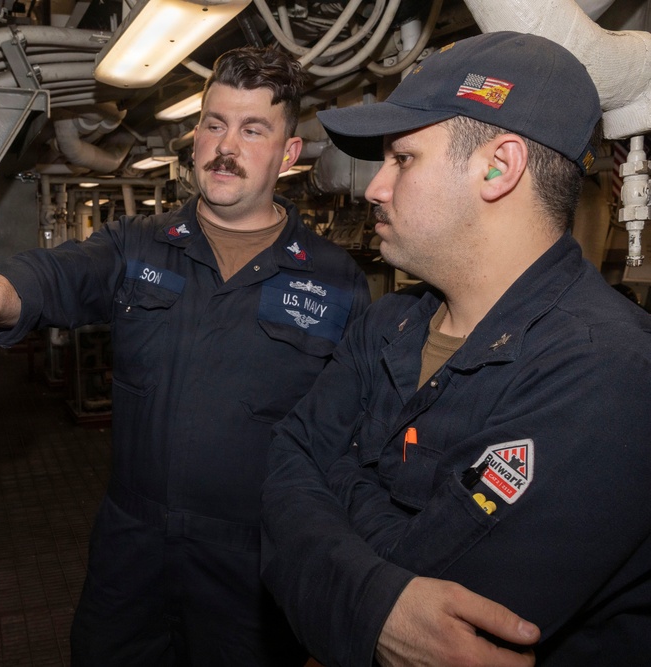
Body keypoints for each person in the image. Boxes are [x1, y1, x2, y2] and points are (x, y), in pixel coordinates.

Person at [0, 46, 374, 665]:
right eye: (214, 123)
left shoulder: (336, 279)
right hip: (134, 548)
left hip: (255, 561)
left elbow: (352, 434)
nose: (225, 145)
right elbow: (57, 276)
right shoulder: (138, 246)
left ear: (288, 153)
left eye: (253, 129)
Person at [261, 30, 651, 667]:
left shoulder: (608, 376)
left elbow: (450, 604)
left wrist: (338, 483)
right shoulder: (388, 323)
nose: (374, 188)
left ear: (498, 167)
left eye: (403, 159)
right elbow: (288, 457)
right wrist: (377, 598)